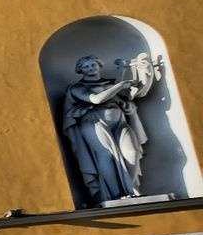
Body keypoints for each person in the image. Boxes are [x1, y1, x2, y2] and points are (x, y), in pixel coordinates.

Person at [62, 54, 155, 202]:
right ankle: (115, 195)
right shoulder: (77, 87)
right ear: (80, 70)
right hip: (93, 123)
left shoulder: (112, 82)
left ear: (99, 66)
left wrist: (145, 71)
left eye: (93, 65)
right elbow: (96, 99)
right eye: (86, 66)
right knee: (106, 156)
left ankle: (132, 189)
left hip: (120, 121)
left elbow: (137, 93)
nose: (90, 68)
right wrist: (119, 86)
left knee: (132, 152)